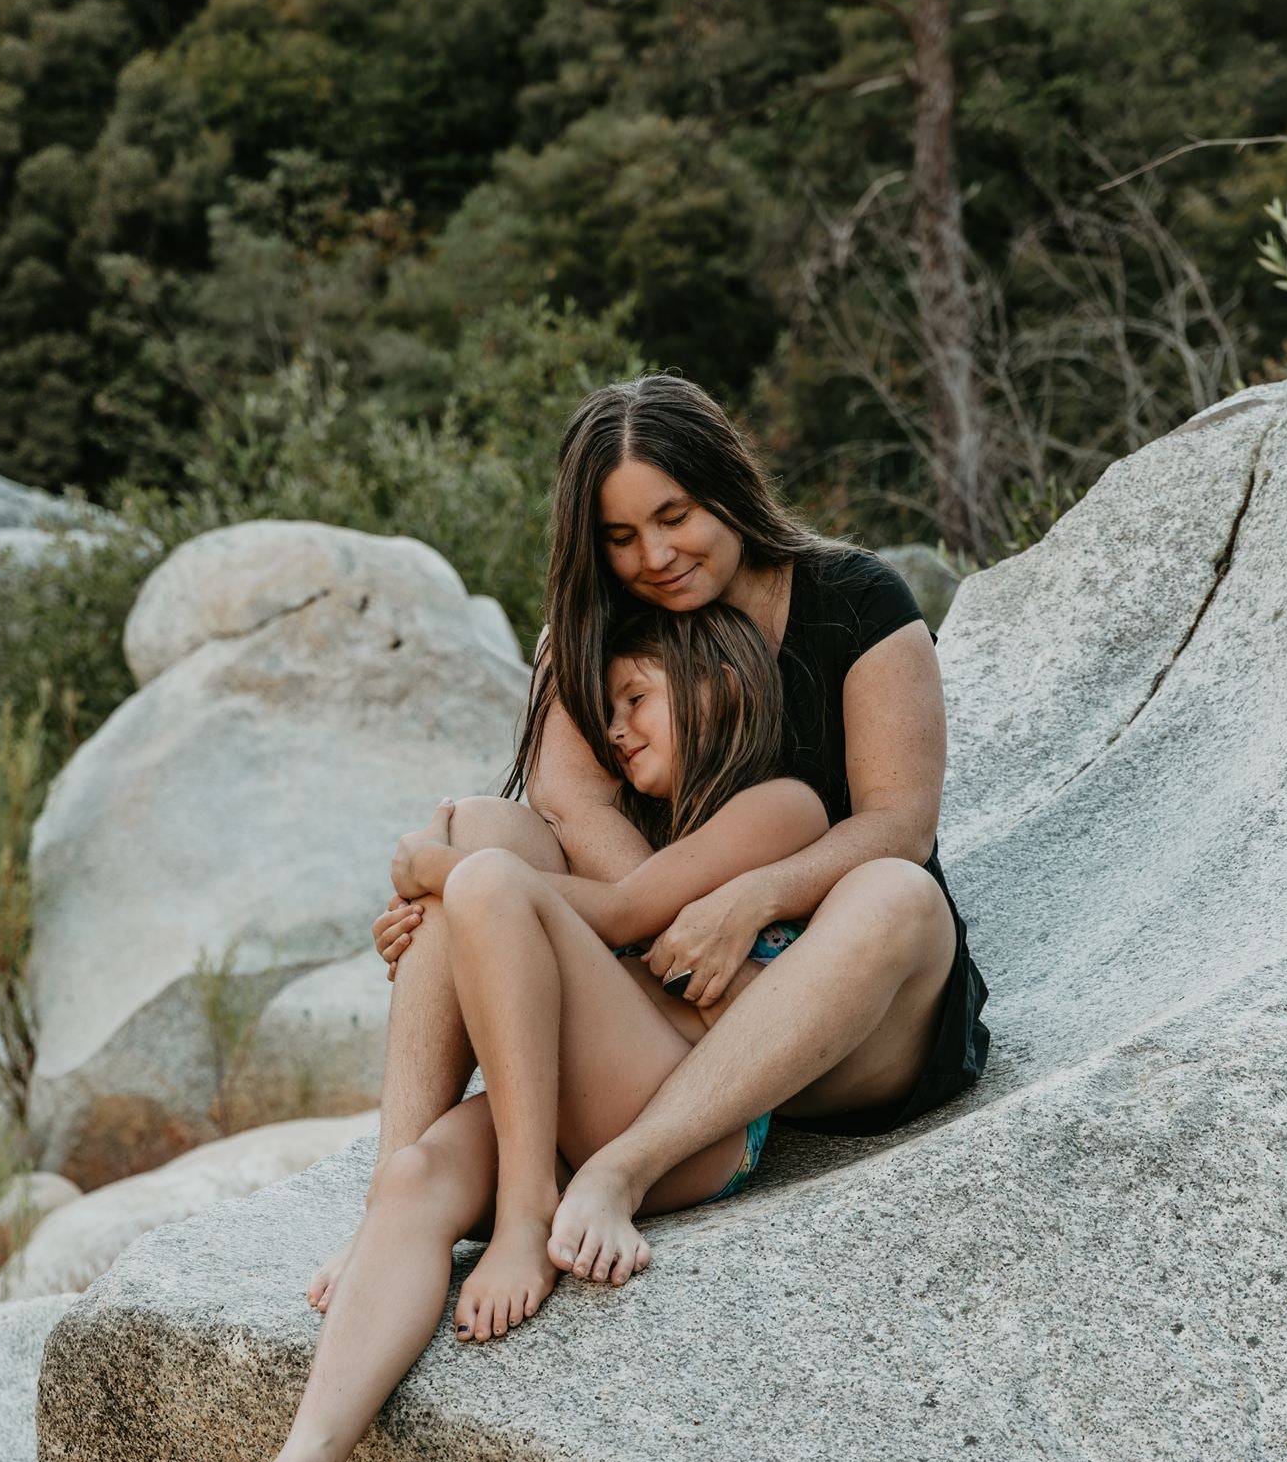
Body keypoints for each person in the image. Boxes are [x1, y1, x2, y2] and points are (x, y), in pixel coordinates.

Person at [307, 370, 989, 1311]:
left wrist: (751, 897)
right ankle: (389, 1204)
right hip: (671, 998)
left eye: (675, 516)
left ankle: (622, 1170)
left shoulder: (856, 600)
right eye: (621, 537)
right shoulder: (592, 637)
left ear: (728, 487)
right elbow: (571, 815)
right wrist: (465, 914)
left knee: (894, 894)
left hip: (834, 1007)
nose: (656, 556)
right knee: (482, 825)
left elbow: (898, 825)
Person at [194, 604, 827, 1462]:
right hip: (580, 1095)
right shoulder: (625, 817)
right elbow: (571, 920)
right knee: (415, 1178)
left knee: (480, 876)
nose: (614, 729)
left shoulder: (782, 806)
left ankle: (524, 1216)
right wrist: (437, 899)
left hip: (687, 1127)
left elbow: (619, 916)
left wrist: (436, 870)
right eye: (605, 709)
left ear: (721, 690)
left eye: (637, 699)